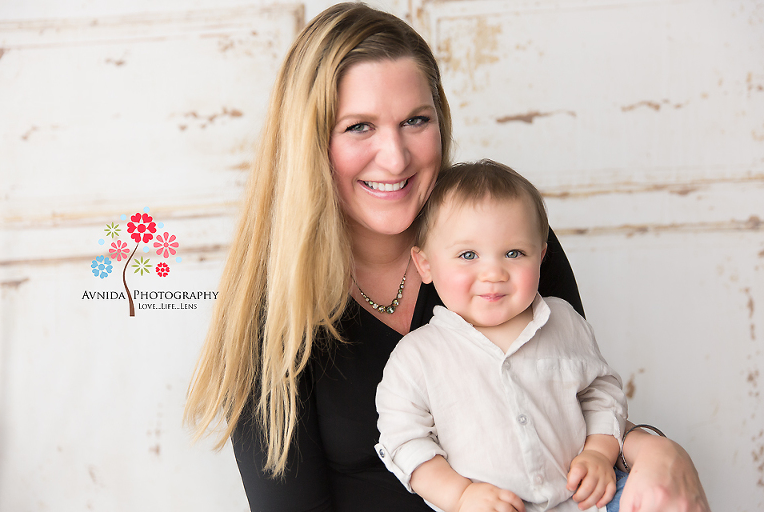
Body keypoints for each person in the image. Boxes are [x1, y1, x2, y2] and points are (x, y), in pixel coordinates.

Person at [183, 3, 711, 512]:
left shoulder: (508, 249)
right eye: (359, 126)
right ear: (310, 143)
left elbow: (574, 398)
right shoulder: (272, 317)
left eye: (415, 120)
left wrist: (651, 446)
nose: (395, 157)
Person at [375, 160, 627, 512]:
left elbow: (601, 392)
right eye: (468, 255)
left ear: (540, 256)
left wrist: (600, 452)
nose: (493, 272)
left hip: (584, 502)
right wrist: (460, 496)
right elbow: (404, 441)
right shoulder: (416, 357)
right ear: (426, 265)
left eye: (514, 253)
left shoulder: (563, 321)